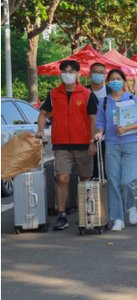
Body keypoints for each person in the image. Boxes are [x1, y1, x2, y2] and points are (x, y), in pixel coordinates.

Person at [35, 60, 98, 231]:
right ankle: (62, 214)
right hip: (61, 144)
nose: (67, 74)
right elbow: (42, 115)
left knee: (84, 179)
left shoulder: (87, 94)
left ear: (78, 73)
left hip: (83, 144)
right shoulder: (53, 94)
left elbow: (93, 119)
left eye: (71, 71)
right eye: (64, 71)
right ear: (60, 73)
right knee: (62, 179)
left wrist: (92, 141)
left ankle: (85, 213)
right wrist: (41, 130)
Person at [94, 69, 137, 231]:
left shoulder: (131, 99)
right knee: (114, 182)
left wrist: (127, 129)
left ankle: (130, 206)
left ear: (124, 81)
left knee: (127, 180)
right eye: (113, 79)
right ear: (108, 82)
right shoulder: (104, 102)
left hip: (130, 142)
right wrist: (99, 133)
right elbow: (100, 122)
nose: (116, 81)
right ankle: (117, 218)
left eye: (119, 78)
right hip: (111, 145)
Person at [89, 62, 111, 180]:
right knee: (92, 173)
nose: (98, 75)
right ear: (89, 74)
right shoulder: (84, 92)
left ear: (105, 75)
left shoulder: (112, 92)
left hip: (109, 138)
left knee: (108, 172)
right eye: (95, 72)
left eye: (101, 72)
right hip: (88, 138)